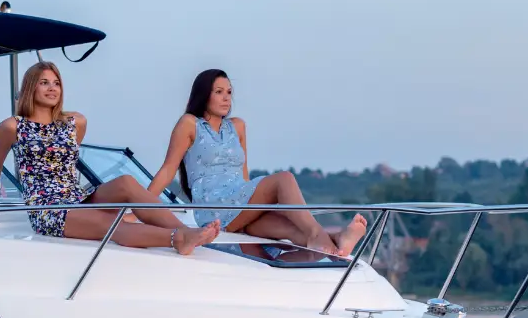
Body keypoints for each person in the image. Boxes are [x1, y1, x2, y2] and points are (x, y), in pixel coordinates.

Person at [0, 62, 220, 254]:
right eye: (44, 82)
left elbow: (68, 164)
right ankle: (177, 239)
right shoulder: (13, 126)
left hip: (77, 197)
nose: (52, 88)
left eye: (56, 83)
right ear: (30, 87)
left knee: (126, 183)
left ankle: (186, 231)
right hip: (48, 209)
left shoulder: (75, 122)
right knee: (112, 224)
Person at [147, 69, 368, 258]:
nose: (226, 98)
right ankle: (319, 236)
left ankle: (337, 238)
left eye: (229, 92)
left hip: (239, 202)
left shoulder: (237, 126)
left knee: (286, 228)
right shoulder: (189, 124)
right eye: (219, 92)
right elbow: (168, 169)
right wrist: (141, 207)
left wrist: (256, 208)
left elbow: (243, 176)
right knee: (284, 179)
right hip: (213, 208)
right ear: (204, 95)